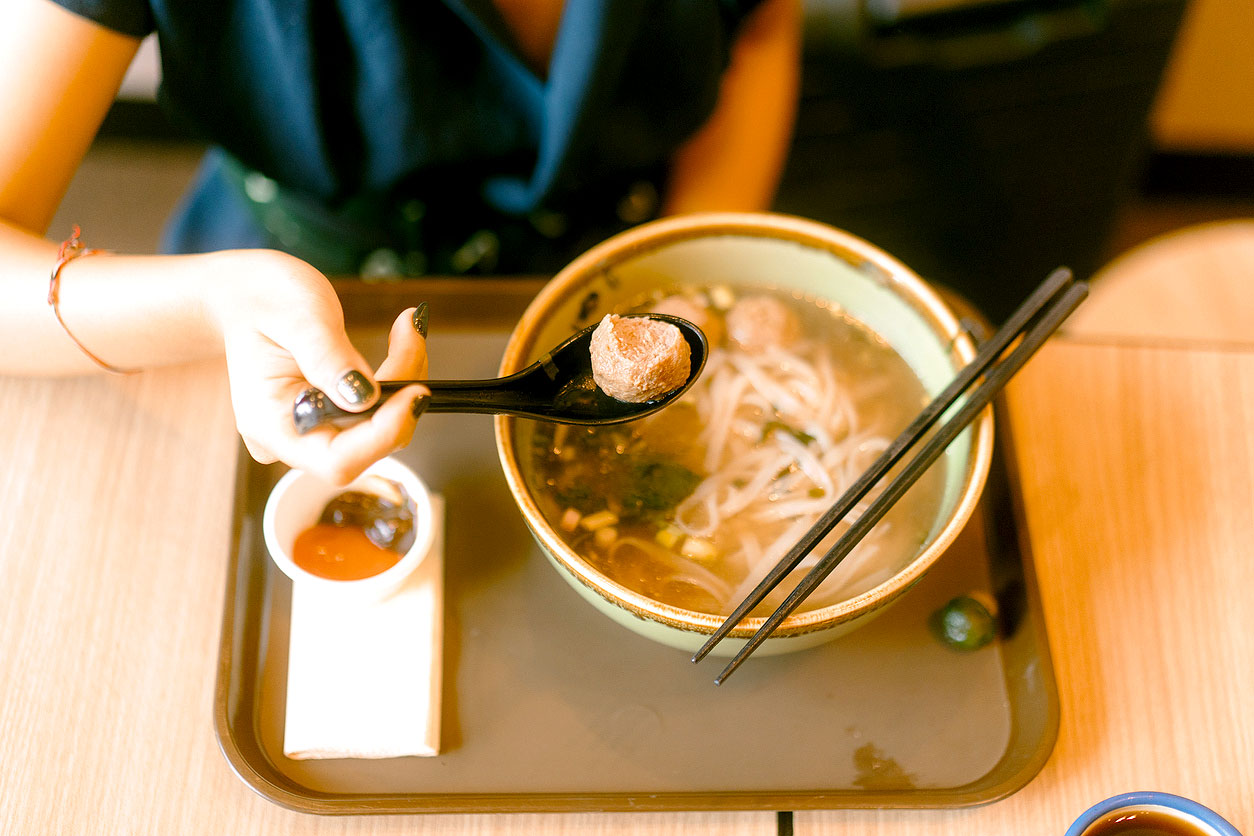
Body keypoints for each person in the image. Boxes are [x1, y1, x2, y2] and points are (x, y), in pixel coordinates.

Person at [0, 0, 800, 484]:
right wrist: (216, 306)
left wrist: (689, 258)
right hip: (268, 327)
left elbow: (758, 33)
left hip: (619, 269)